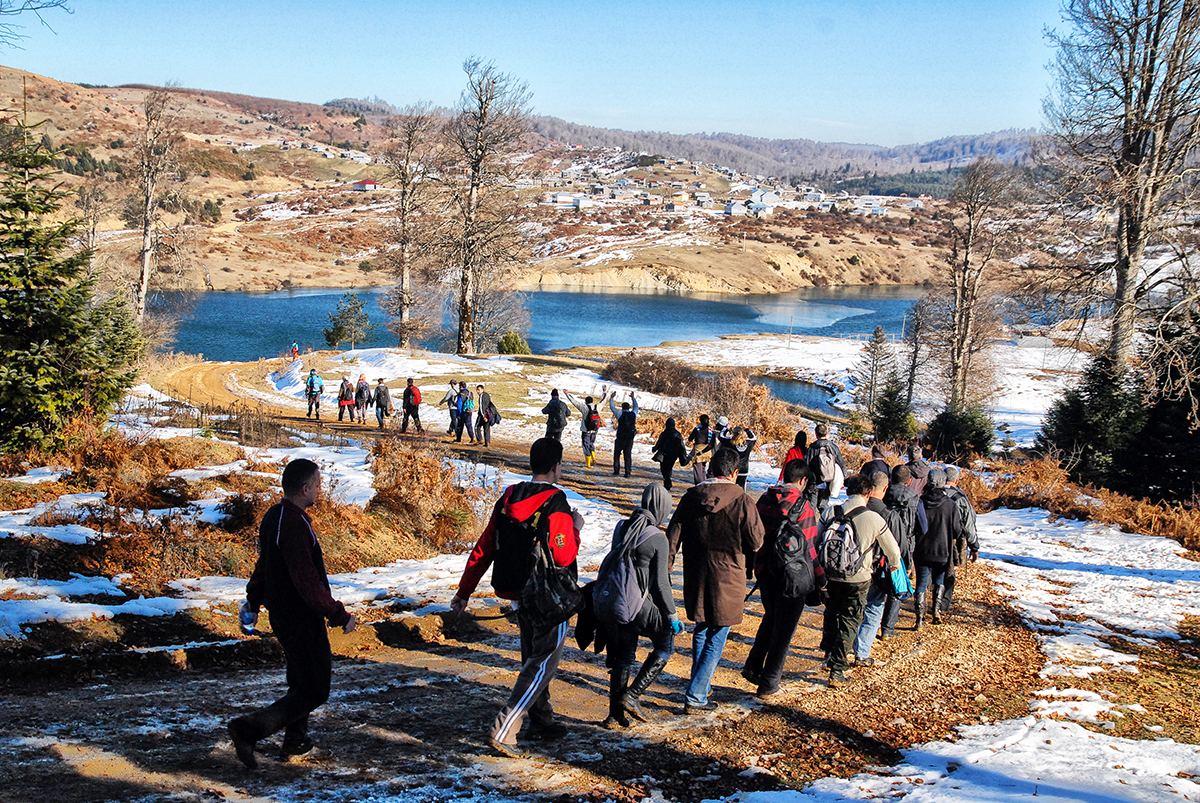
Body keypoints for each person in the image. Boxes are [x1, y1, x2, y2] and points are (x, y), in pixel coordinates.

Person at [451, 438, 583, 757]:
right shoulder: (556, 503)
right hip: (548, 596)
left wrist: (464, 591)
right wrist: (576, 528)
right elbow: (564, 556)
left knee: (532, 656)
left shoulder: (508, 498)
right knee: (543, 661)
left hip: (517, 593)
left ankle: (541, 715)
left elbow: (484, 548)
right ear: (556, 467)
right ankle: (505, 727)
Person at [228, 459, 356, 770]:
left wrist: (254, 601)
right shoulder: (294, 525)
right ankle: (249, 729)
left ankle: (296, 742)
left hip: (285, 615)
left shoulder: (276, 516)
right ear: (305, 488)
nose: (320, 490)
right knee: (315, 689)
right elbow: (307, 581)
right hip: (299, 617)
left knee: (301, 681)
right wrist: (338, 614)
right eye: (318, 484)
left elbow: (264, 565)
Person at [666, 447, 765, 713]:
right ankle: (697, 694)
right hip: (729, 577)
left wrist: (665, 568)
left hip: (697, 574)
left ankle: (701, 685)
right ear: (734, 473)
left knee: (702, 629)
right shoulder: (742, 501)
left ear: (710, 469)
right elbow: (757, 541)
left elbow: (672, 538)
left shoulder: (690, 498)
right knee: (718, 634)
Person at [598, 482, 681, 728]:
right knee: (665, 644)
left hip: (618, 601)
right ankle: (632, 696)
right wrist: (672, 615)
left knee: (624, 656)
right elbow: (662, 585)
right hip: (641, 605)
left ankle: (614, 716)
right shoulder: (658, 538)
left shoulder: (622, 527)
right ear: (662, 508)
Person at [744, 459, 822, 698]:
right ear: (803, 481)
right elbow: (810, 549)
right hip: (792, 577)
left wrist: (752, 567)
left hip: (765, 571)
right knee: (784, 630)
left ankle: (753, 665)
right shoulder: (804, 507)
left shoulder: (764, 500)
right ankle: (769, 682)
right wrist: (820, 579)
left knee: (770, 618)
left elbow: (754, 536)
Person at [820, 472, 902, 686]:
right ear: (868, 494)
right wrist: (894, 567)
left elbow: (815, 540)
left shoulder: (831, 512)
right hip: (858, 578)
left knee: (832, 613)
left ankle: (828, 654)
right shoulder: (874, 518)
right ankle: (837, 670)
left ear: (848, 491)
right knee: (850, 620)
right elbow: (893, 551)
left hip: (830, 575)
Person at [852, 469, 922, 664]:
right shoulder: (888, 514)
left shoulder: (854, 508)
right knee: (874, 608)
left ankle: (845, 645)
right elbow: (900, 546)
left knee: (854, 608)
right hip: (879, 568)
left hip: (852, 567)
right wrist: (906, 566)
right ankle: (862, 651)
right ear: (884, 489)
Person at [915, 469, 974, 628]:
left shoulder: (919, 502)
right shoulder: (950, 504)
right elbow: (956, 530)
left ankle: (919, 619)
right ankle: (936, 611)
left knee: (921, 584)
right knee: (939, 580)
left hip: (921, 549)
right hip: (943, 550)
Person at [940, 466, 980, 617]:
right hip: (954, 541)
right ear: (956, 480)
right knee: (949, 571)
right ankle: (943, 604)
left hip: (932, 539)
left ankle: (929, 599)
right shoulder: (961, 498)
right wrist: (974, 546)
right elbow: (969, 524)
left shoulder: (932, 492)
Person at [807, 423, 848, 511]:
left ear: (816, 434)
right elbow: (841, 464)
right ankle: (826, 522)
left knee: (812, 507)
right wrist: (844, 479)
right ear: (827, 433)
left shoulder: (812, 448)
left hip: (814, 482)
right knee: (823, 505)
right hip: (828, 480)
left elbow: (807, 464)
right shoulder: (833, 447)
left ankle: (811, 523)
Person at [565, 390, 607, 468]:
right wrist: (604, 392)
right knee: (591, 443)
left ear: (586, 402)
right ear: (592, 401)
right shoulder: (597, 407)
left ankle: (588, 464)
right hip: (595, 430)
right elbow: (604, 401)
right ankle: (593, 457)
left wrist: (567, 394)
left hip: (586, 430)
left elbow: (575, 402)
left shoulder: (584, 407)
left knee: (586, 445)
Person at [717, 425, 767, 489]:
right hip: (744, 469)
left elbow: (721, 436)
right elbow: (754, 438)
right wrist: (747, 429)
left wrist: (726, 428)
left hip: (733, 468)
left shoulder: (730, 442)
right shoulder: (748, 443)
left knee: (732, 487)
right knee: (742, 487)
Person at [652, 417, 688, 491]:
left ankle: (667, 481)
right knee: (669, 467)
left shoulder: (664, 433)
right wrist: (683, 455)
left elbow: (660, 442)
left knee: (664, 468)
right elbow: (681, 446)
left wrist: (655, 448)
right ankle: (667, 480)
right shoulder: (678, 434)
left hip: (664, 453)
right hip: (673, 454)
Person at [610, 391, 639, 478]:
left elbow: (612, 407)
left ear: (622, 408)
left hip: (620, 437)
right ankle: (628, 472)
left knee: (617, 454)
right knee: (627, 455)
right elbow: (636, 407)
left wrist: (611, 398)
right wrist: (633, 398)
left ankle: (616, 470)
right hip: (629, 438)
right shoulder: (633, 414)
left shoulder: (619, 414)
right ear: (629, 408)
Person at [687, 414, 716, 484]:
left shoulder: (697, 429)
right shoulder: (711, 430)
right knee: (703, 467)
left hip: (698, 452)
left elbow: (690, 439)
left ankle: (700, 485)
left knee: (698, 470)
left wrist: (700, 451)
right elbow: (711, 444)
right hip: (708, 452)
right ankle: (704, 483)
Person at [475, 384, 493, 448]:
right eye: (477, 390)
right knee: (487, 428)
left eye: (479, 390)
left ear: (483, 389)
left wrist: (484, 416)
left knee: (477, 426)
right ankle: (487, 441)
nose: (478, 391)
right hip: (488, 414)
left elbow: (482, 407)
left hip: (482, 415)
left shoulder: (482, 396)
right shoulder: (487, 395)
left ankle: (479, 439)